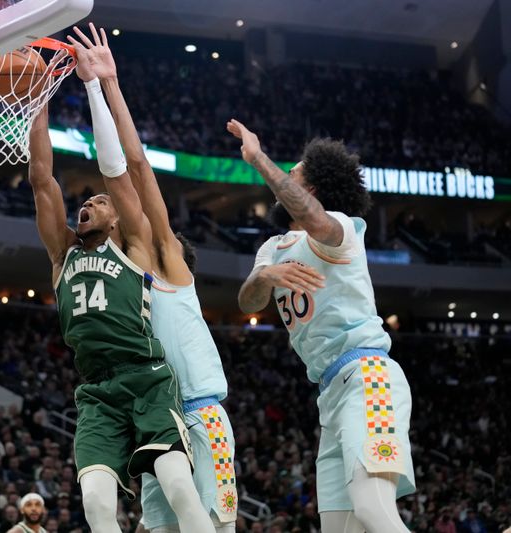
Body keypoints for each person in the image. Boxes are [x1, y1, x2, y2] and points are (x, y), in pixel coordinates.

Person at [26, 28, 214, 533]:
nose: (88, 203)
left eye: (98, 203)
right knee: (95, 503)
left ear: (116, 220)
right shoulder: (62, 254)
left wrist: (96, 86)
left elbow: (120, 172)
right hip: (96, 389)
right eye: (84, 203)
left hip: (146, 377)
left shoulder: (135, 246)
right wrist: (38, 102)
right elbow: (43, 180)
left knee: (177, 484)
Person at [67, 25, 238, 533]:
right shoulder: (120, 276)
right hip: (154, 414)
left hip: (200, 416)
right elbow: (116, 174)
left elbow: (134, 167)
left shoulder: (167, 262)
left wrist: (107, 85)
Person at [228, 120, 415, 533]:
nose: (287, 175)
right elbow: (248, 301)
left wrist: (259, 159)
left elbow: (313, 219)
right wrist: (264, 277)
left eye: (294, 172)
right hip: (329, 394)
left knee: (372, 509)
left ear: (310, 190)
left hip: (368, 377)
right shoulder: (272, 248)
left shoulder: (343, 229)